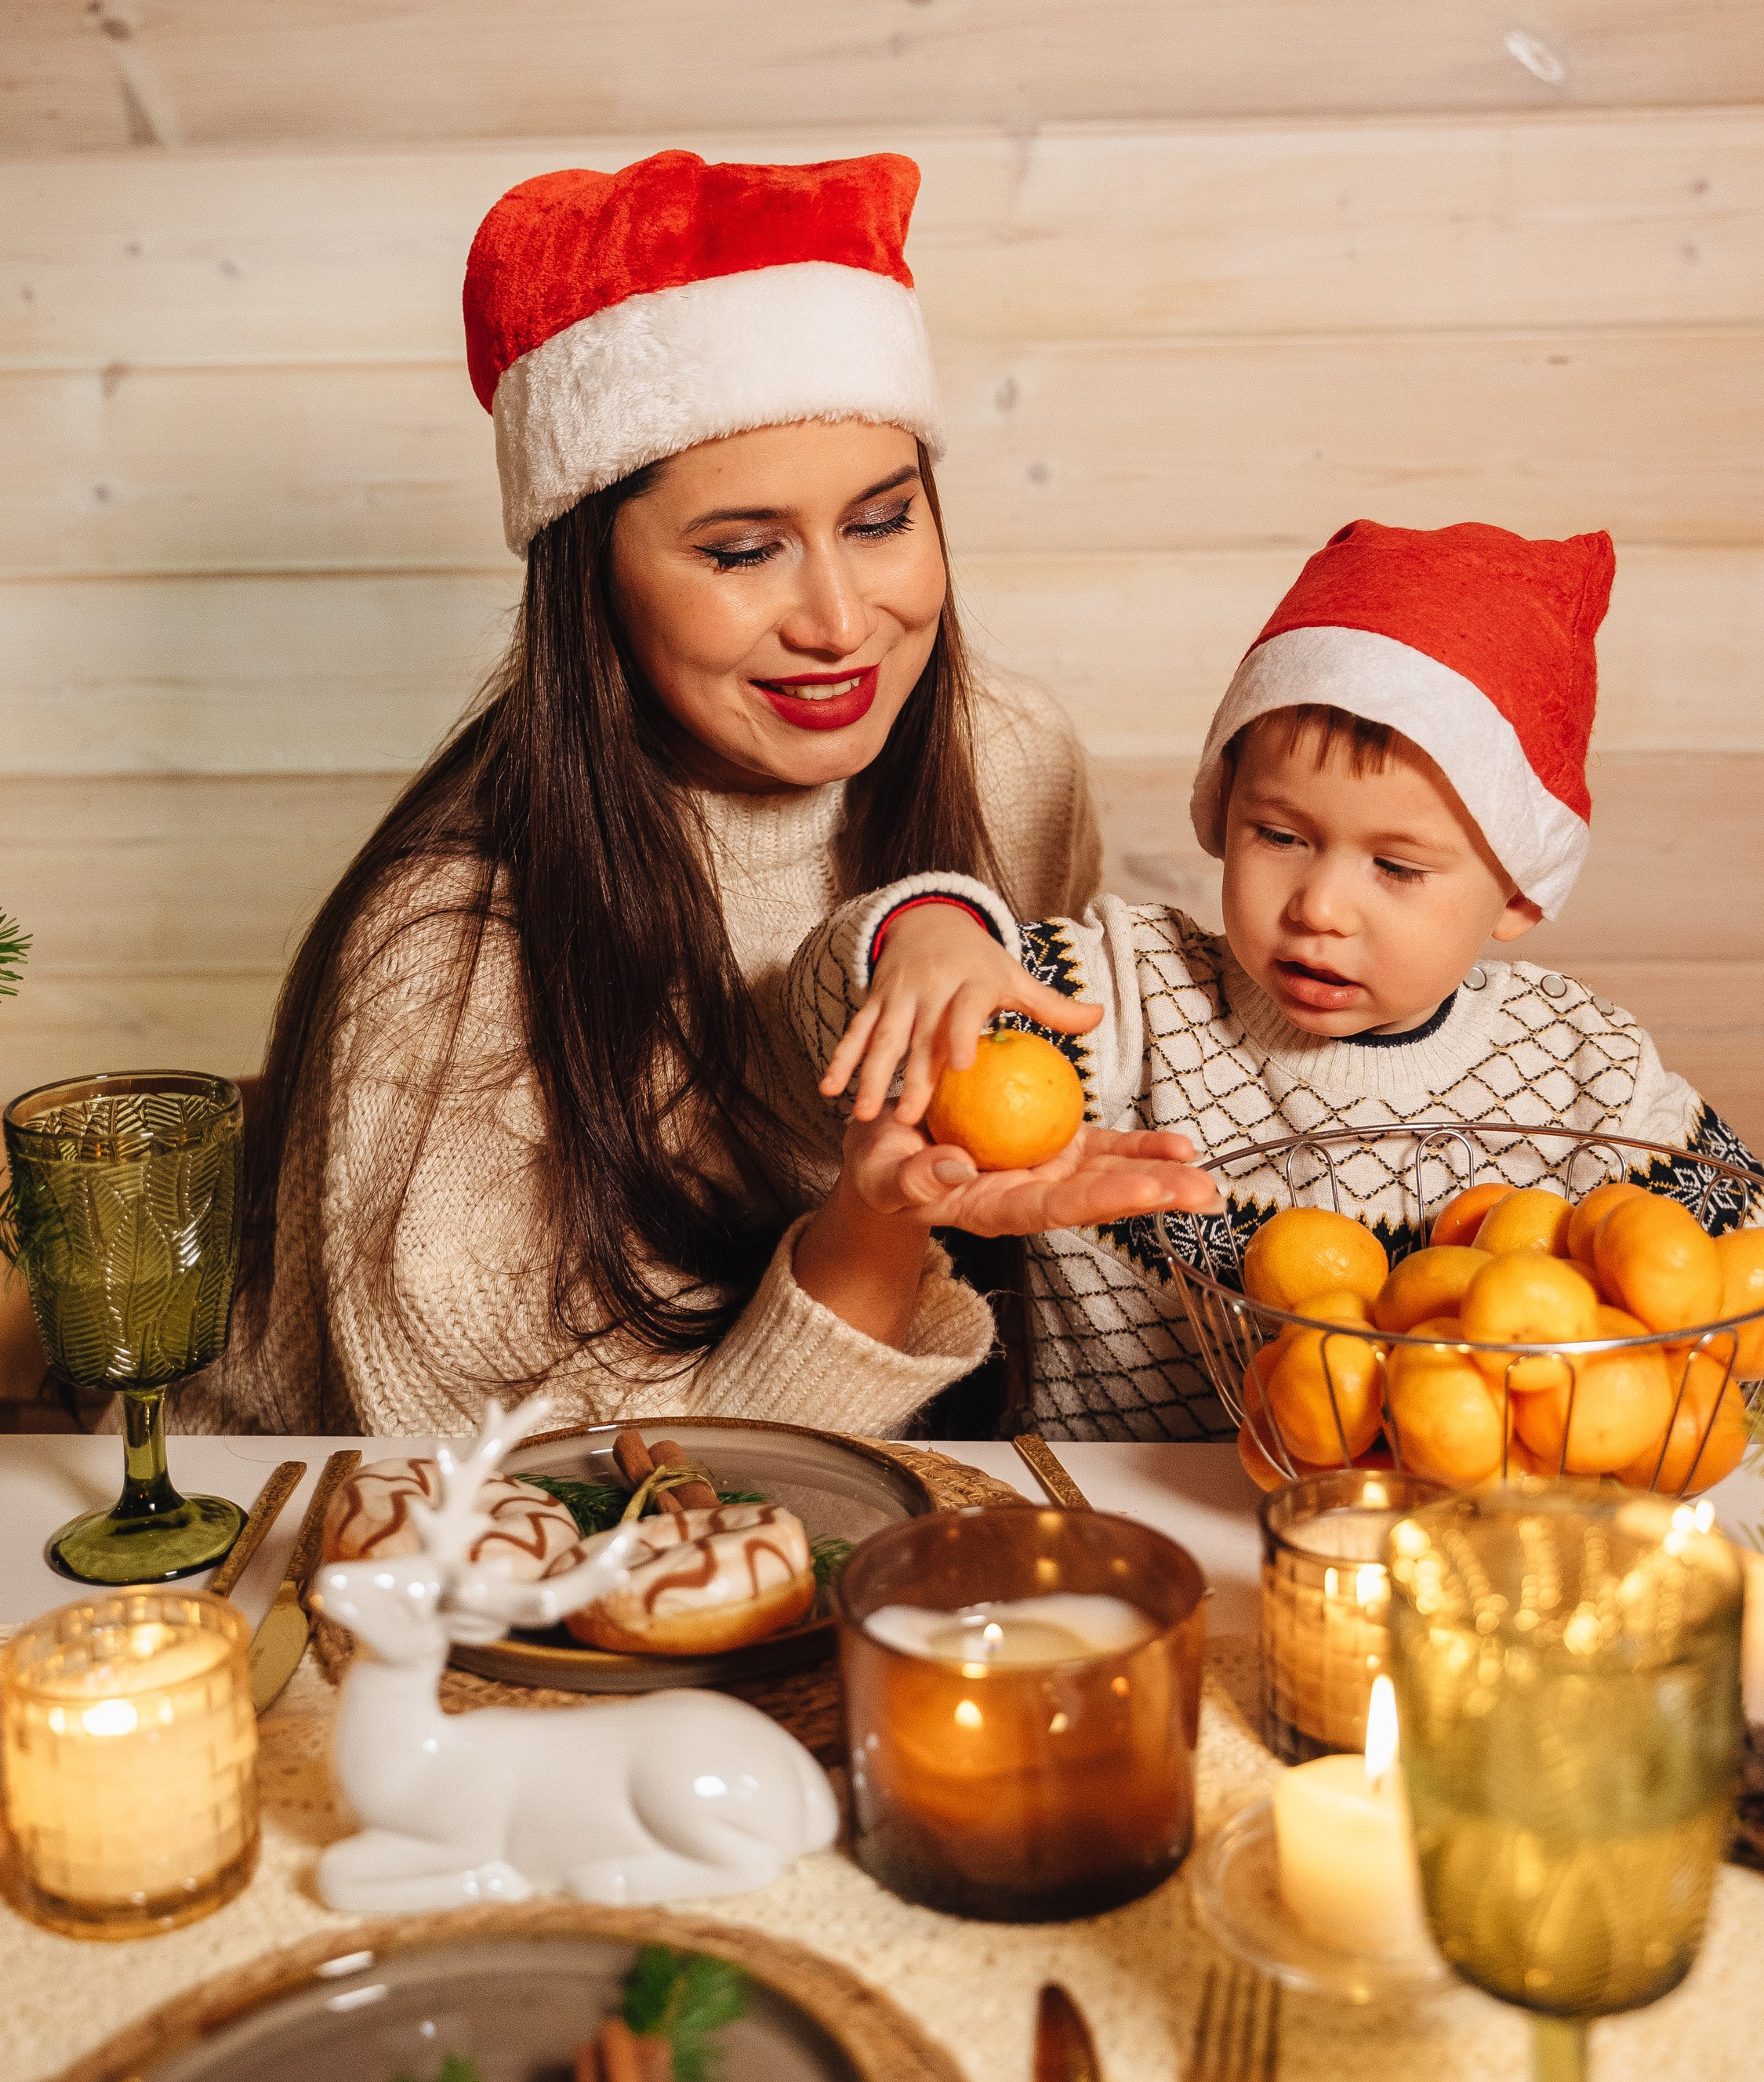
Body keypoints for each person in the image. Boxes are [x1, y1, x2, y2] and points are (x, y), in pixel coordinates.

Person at [180, 147, 1203, 1438]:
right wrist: (867, 1245)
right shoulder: (442, 951)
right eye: (742, 552)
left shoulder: (1011, 761)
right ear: (590, 581)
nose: (840, 621)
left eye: (881, 522)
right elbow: (494, 1498)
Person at [797, 519, 1764, 1439]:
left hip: (1457, 1535)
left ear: (1516, 891)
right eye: (1281, 835)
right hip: (1112, 1512)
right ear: (1223, 815)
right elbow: (838, 1018)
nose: (1319, 906)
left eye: (1394, 866)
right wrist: (929, 932)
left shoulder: (1585, 1068)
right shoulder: (1132, 990)